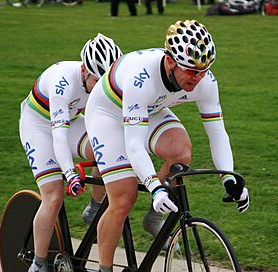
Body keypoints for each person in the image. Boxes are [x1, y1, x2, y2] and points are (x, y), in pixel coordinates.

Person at [84, 19, 250, 272]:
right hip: (108, 113)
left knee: (180, 151)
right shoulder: (142, 77)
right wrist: (154, 186)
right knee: (123, 197)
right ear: (170, 61)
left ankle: (154, 216)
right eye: (191, 71)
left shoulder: (205, 80)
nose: (198, 77)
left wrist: (229, 178)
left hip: (150, 107)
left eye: (203, 70)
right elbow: (135, 146)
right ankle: (104, 268)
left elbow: (218, 134)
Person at [19, 33, 122, 272]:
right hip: (39, 125)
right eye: (98, 82)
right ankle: (39, 263)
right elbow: (59, 136)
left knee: (104, 149)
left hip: (72, 119)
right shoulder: (62, 84)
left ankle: (95, 208)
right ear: (85, 70)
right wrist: (70, 173)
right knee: (53, 196)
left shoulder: (104, 81)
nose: (102, 89)